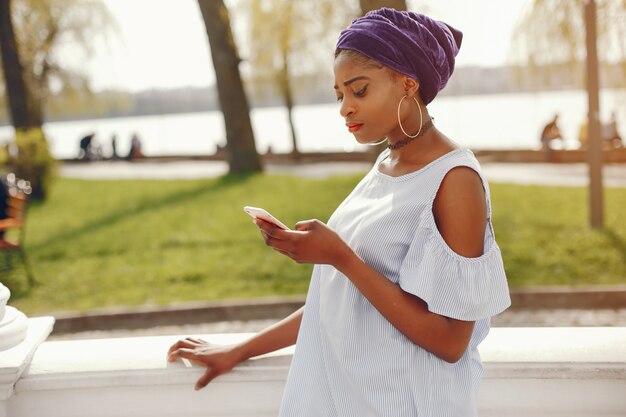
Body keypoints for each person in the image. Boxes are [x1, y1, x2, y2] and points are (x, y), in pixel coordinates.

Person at [168, 8, 510, 417]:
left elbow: (452, 341)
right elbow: (341, 300)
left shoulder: (454, 180)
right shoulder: (386, 165)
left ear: (407, 82)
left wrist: (340, 257)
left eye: (359, 90)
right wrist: (240, 349)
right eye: (339, 95)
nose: (345, 108)